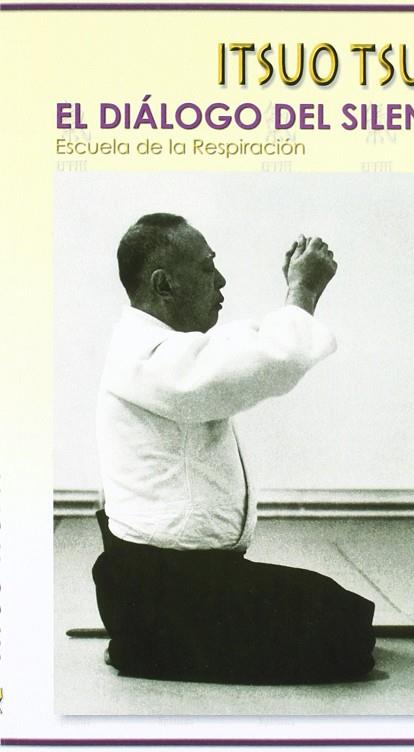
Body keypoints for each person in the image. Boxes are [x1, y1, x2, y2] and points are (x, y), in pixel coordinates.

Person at [92, 212, 375, 684]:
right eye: (207, 267)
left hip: (177, 579)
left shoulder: (158, 347)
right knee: (343, 635)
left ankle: (144, 640)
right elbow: (266, 361)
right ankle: (141, 644)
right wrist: (301, 293)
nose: (220, 280)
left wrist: (294, 300)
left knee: (344, 610)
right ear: (164, 285)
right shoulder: (147, 357)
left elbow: (237, 346)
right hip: (162, 591)